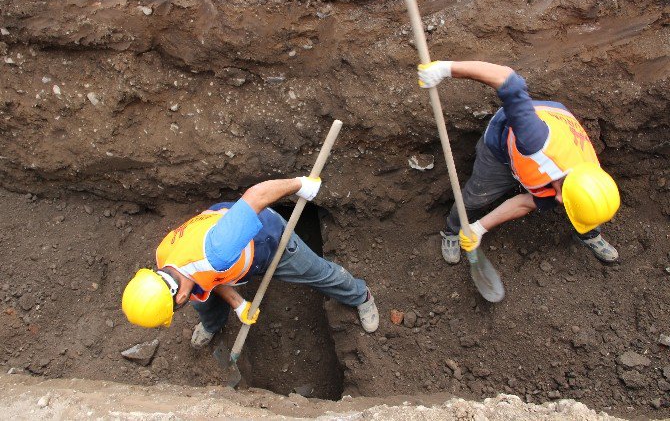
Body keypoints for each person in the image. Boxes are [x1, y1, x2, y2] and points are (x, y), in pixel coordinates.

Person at [121, 176, 379, 348]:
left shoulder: (218, 252)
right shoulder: (164, 257)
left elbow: (256, 196)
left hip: (267, 241)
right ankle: (213, 325)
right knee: (204, 303)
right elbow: (207, 277)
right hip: (226, 241)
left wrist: (300, 184)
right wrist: (238, 303)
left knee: (318, 273)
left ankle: (360, 296)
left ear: (178, 299)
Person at [417, 60, 620, 264]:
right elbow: (507, 79)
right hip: (503, 144)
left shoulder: (592, 177)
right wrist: (445, 69)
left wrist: (479, 228)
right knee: (475, 198)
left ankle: (588, 232)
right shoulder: (534, 139)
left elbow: (526, 203)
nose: (558, 201)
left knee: (584, 207)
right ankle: (452, 231)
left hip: (552, 136)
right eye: (563, 198)